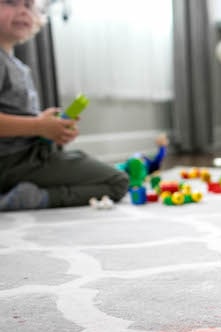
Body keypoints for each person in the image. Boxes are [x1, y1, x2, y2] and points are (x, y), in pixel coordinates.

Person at [0, 0, 128, 211]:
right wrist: (38, 126)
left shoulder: (16, 65)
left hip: (24, 157)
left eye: (28, 5)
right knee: (117, 182)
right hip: (12, 162)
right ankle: (36, 198)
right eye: (11, 2)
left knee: (88, 167)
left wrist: (46, 126)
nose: (23, 11)